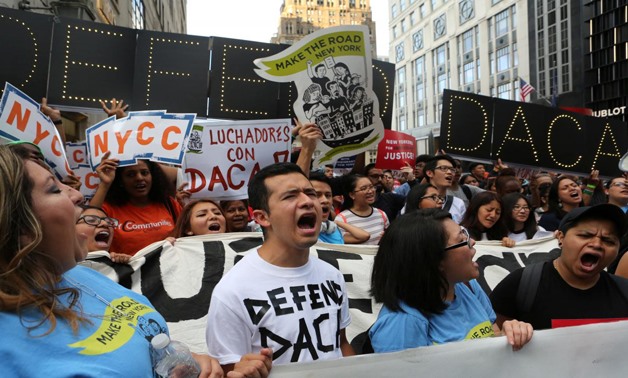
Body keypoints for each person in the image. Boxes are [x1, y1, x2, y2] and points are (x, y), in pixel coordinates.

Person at [0, 145, 264, 377]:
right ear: (18, 225)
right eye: (55, 189)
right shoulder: (8, 351)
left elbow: (152, 348)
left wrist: (193, 364)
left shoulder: (83, 276)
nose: (78, 195)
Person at [205, 163, 354, 371]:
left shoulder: (333, 276)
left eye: (310, 193)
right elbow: (229, 369)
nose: (308, 202)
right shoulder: (232, 292)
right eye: (290, 196)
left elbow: (341, 343)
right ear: (262, 217)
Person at [369, 209, 533, 352]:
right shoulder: (403, 322)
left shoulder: (468, 286)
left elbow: (493, 335)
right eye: (461, 239)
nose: (473, 241)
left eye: (465, 232)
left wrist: (511, 333)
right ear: (434, 260)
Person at [490, 204, 628, 330]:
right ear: (561, 238)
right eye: (585, 235)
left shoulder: (624, 290)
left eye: (608, 240)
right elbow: (489, 335)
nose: (597, 244)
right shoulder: (522, 283)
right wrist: (508, 331)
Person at [89, 152, 182, 256]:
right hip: (127, 271)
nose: (139, 178)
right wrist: (105, 184)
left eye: (144, 172)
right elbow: (89, 221)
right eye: (131, 175)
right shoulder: (109, 208)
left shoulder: (168, 204)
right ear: (120, 181)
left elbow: (186, 232)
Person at [310, 172, 370, 244]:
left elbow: (364, 236)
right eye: (317, 195)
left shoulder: (333, 229)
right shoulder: (298, 235)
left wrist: (336, 222)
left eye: (328, 195)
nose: (325, 200)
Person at [337, 174, 390, 245]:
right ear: (352, 195)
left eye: (371, 187)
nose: (370, 191)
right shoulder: (342, 219)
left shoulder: (381, 214)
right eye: (364, 188)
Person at [424, 155, 466, 223]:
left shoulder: (458, 203)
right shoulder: (417, 199)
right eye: (443, 168)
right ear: (429, 173)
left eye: (452, 170)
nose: (449, 172)